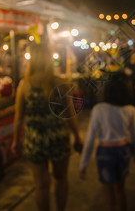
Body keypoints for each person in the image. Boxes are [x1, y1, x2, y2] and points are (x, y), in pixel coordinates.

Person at [12, 44, 83, 211]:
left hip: (35, 138)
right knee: (60, 178)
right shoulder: (62, 83)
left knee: (41, 185)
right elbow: (70, 115)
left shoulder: (24, 84)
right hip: (58, 136)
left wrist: (16, 140)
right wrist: (78, 137)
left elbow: (18, 118)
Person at [79, 73, 135, 211]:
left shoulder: (99, 109)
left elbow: (90, 139)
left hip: (105, 152)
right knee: (121, 189)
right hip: (124, 150)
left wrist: (83, 164)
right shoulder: (131, 110)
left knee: (108, 194)